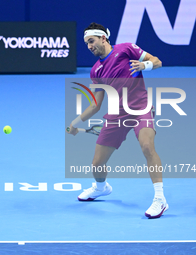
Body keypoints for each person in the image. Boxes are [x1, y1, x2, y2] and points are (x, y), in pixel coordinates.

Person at [66, 22, 168, 218]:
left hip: (141, 108)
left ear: (103, 38)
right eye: (86, 43)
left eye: (91, 41)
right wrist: (74, 123)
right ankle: (100, 187)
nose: (89, 46)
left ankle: (160, 199)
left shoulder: (125, 49)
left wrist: (144, 65)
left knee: (147, 146)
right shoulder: (96, 70)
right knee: (97, 164)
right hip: (116, 115)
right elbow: (96, 104)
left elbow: (157, 61)